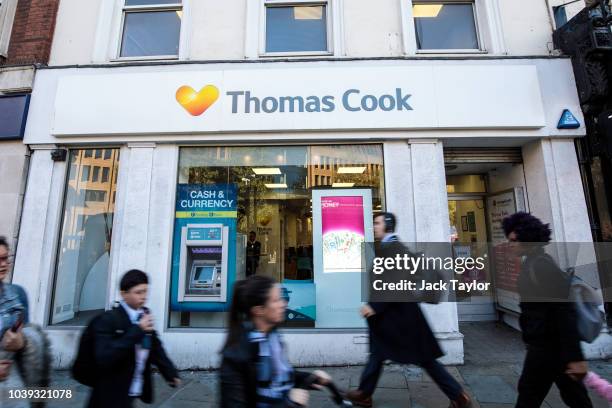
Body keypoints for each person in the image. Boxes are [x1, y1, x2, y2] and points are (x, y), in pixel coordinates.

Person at [346, 213, 472, 408]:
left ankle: (458, 396)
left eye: (378, 223)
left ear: (387, 226)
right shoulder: (389, 247)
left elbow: (394, 283)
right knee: (378, 353)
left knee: (425, 359)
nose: (374, 226)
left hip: (401, 318)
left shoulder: (395, 249)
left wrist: (374, 306)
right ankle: (364, 394)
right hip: (393, 316)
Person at [502, 212, 593, 408]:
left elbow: (564, 311)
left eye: (514, 240)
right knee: (574, 396)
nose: (510, 244)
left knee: (529, 394)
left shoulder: (542, 266)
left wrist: (576, 358)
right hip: (547, 345)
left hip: (548, 346)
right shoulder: (533, 263)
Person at [220, 275, 331, 407]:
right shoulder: (236, 355)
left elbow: (280, 375)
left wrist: (311, 378)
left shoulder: (272, 337)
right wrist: (288, 403)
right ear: (259, 310)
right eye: (276, 300)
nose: (284, 304)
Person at [86, 269, 180, 408]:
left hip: (133, 392)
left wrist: (170, 373)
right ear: (124, 294)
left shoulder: (143, 314)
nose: (143, 297)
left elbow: (155, 347)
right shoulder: (108, 320)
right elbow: (105, 356)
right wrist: (138, 330)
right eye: (138, 292)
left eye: (145, 291)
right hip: (109, 396)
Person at [0, 236, 51, 408]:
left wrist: (23, 341)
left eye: (6, 258)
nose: (4, 264)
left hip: (12, 382)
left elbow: (26, 332)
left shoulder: (16, 294)